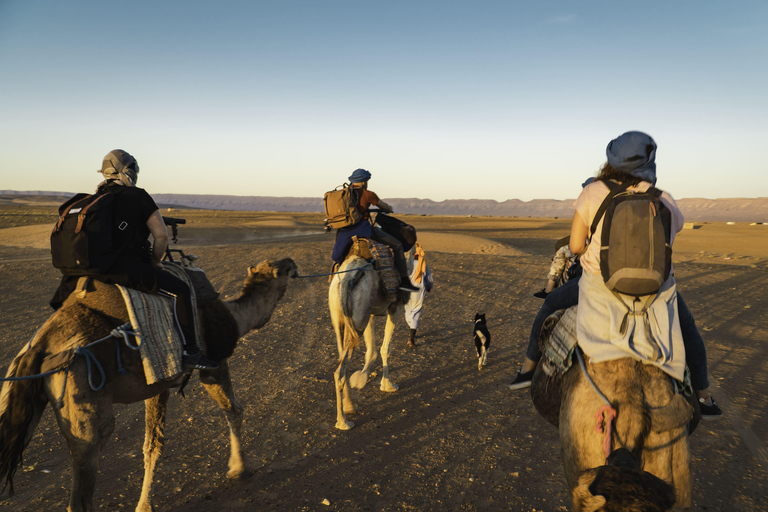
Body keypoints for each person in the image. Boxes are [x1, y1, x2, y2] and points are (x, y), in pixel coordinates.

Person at [510, 132, 721, 418]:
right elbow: (673, 234)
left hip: (600, 285)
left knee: (550, 304)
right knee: (688, 329)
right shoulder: (665, 199)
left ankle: (526, 370)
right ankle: (704, 395)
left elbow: (574, 246)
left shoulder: (592, 192)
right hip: (657, 291)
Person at [50, 149, 218, 370]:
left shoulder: (93, 199)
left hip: (80, 270)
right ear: (128, 171)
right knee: (181, 290)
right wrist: (156, 262)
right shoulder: (138, 196)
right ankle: (190, 352)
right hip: (119, 268)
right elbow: (160, 236)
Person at [335, 168, 418, 292]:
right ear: (363, 181)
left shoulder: (342, 194)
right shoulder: (368, 194)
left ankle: (335, 272)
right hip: (363, 230)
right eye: (367, 180)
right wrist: (389, 208)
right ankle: (404, 281)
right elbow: (384, 207)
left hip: (344, 233)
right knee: (397, 245)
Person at [403, 242, 434, 346]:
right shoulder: (423, 263)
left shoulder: (406, 262)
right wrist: (429, 287)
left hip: (406, 290)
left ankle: (411, 328)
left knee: (408, 309)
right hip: (418, 291)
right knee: (416, 311)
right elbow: (429, 279)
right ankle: (411, 337)